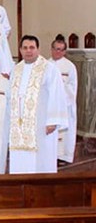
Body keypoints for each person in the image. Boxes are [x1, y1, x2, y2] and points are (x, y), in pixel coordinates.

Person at [8, 35, 68, 173]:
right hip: (19, 126)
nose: (28, 51)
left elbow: (57, 95)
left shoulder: (49, 69)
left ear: (38, 49)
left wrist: (53, 121)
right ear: (20, 50)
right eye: (25, 48)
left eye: (32, 48)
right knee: (19, 162)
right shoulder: (16, 70)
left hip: (42, 125)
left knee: (42, 161)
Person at [49, 36, 78, 165]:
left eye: (60, 50)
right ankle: (51, 155)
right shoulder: (45, 64)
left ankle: (64, 157)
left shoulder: (70, 66)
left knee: (65, 132)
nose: (57, 52)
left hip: (65, 105)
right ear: (51, 49)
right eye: (55, 49)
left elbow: (73, 86)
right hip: (50, 105)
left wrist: (62, 94)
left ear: (65, 51)